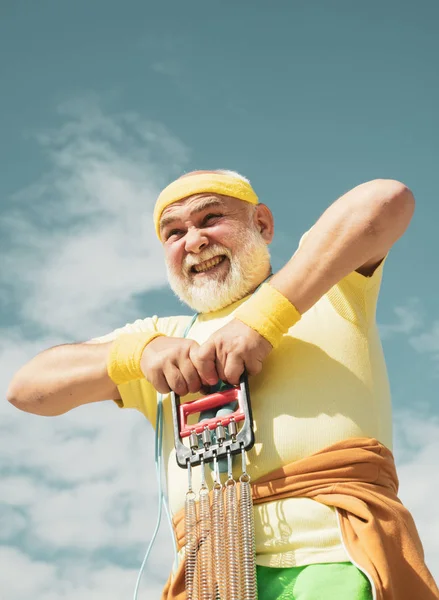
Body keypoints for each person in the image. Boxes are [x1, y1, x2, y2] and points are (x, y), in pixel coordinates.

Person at [7, 170, 439, 600]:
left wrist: (263, 321)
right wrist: (139, 352)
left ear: (263, 224)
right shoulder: (163, 336)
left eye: (211, 218)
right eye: (174, 233)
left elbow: (387, 199)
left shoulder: (325, 286)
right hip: (209, 580)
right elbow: (27, 388)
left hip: (338, 557)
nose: (194, 240)